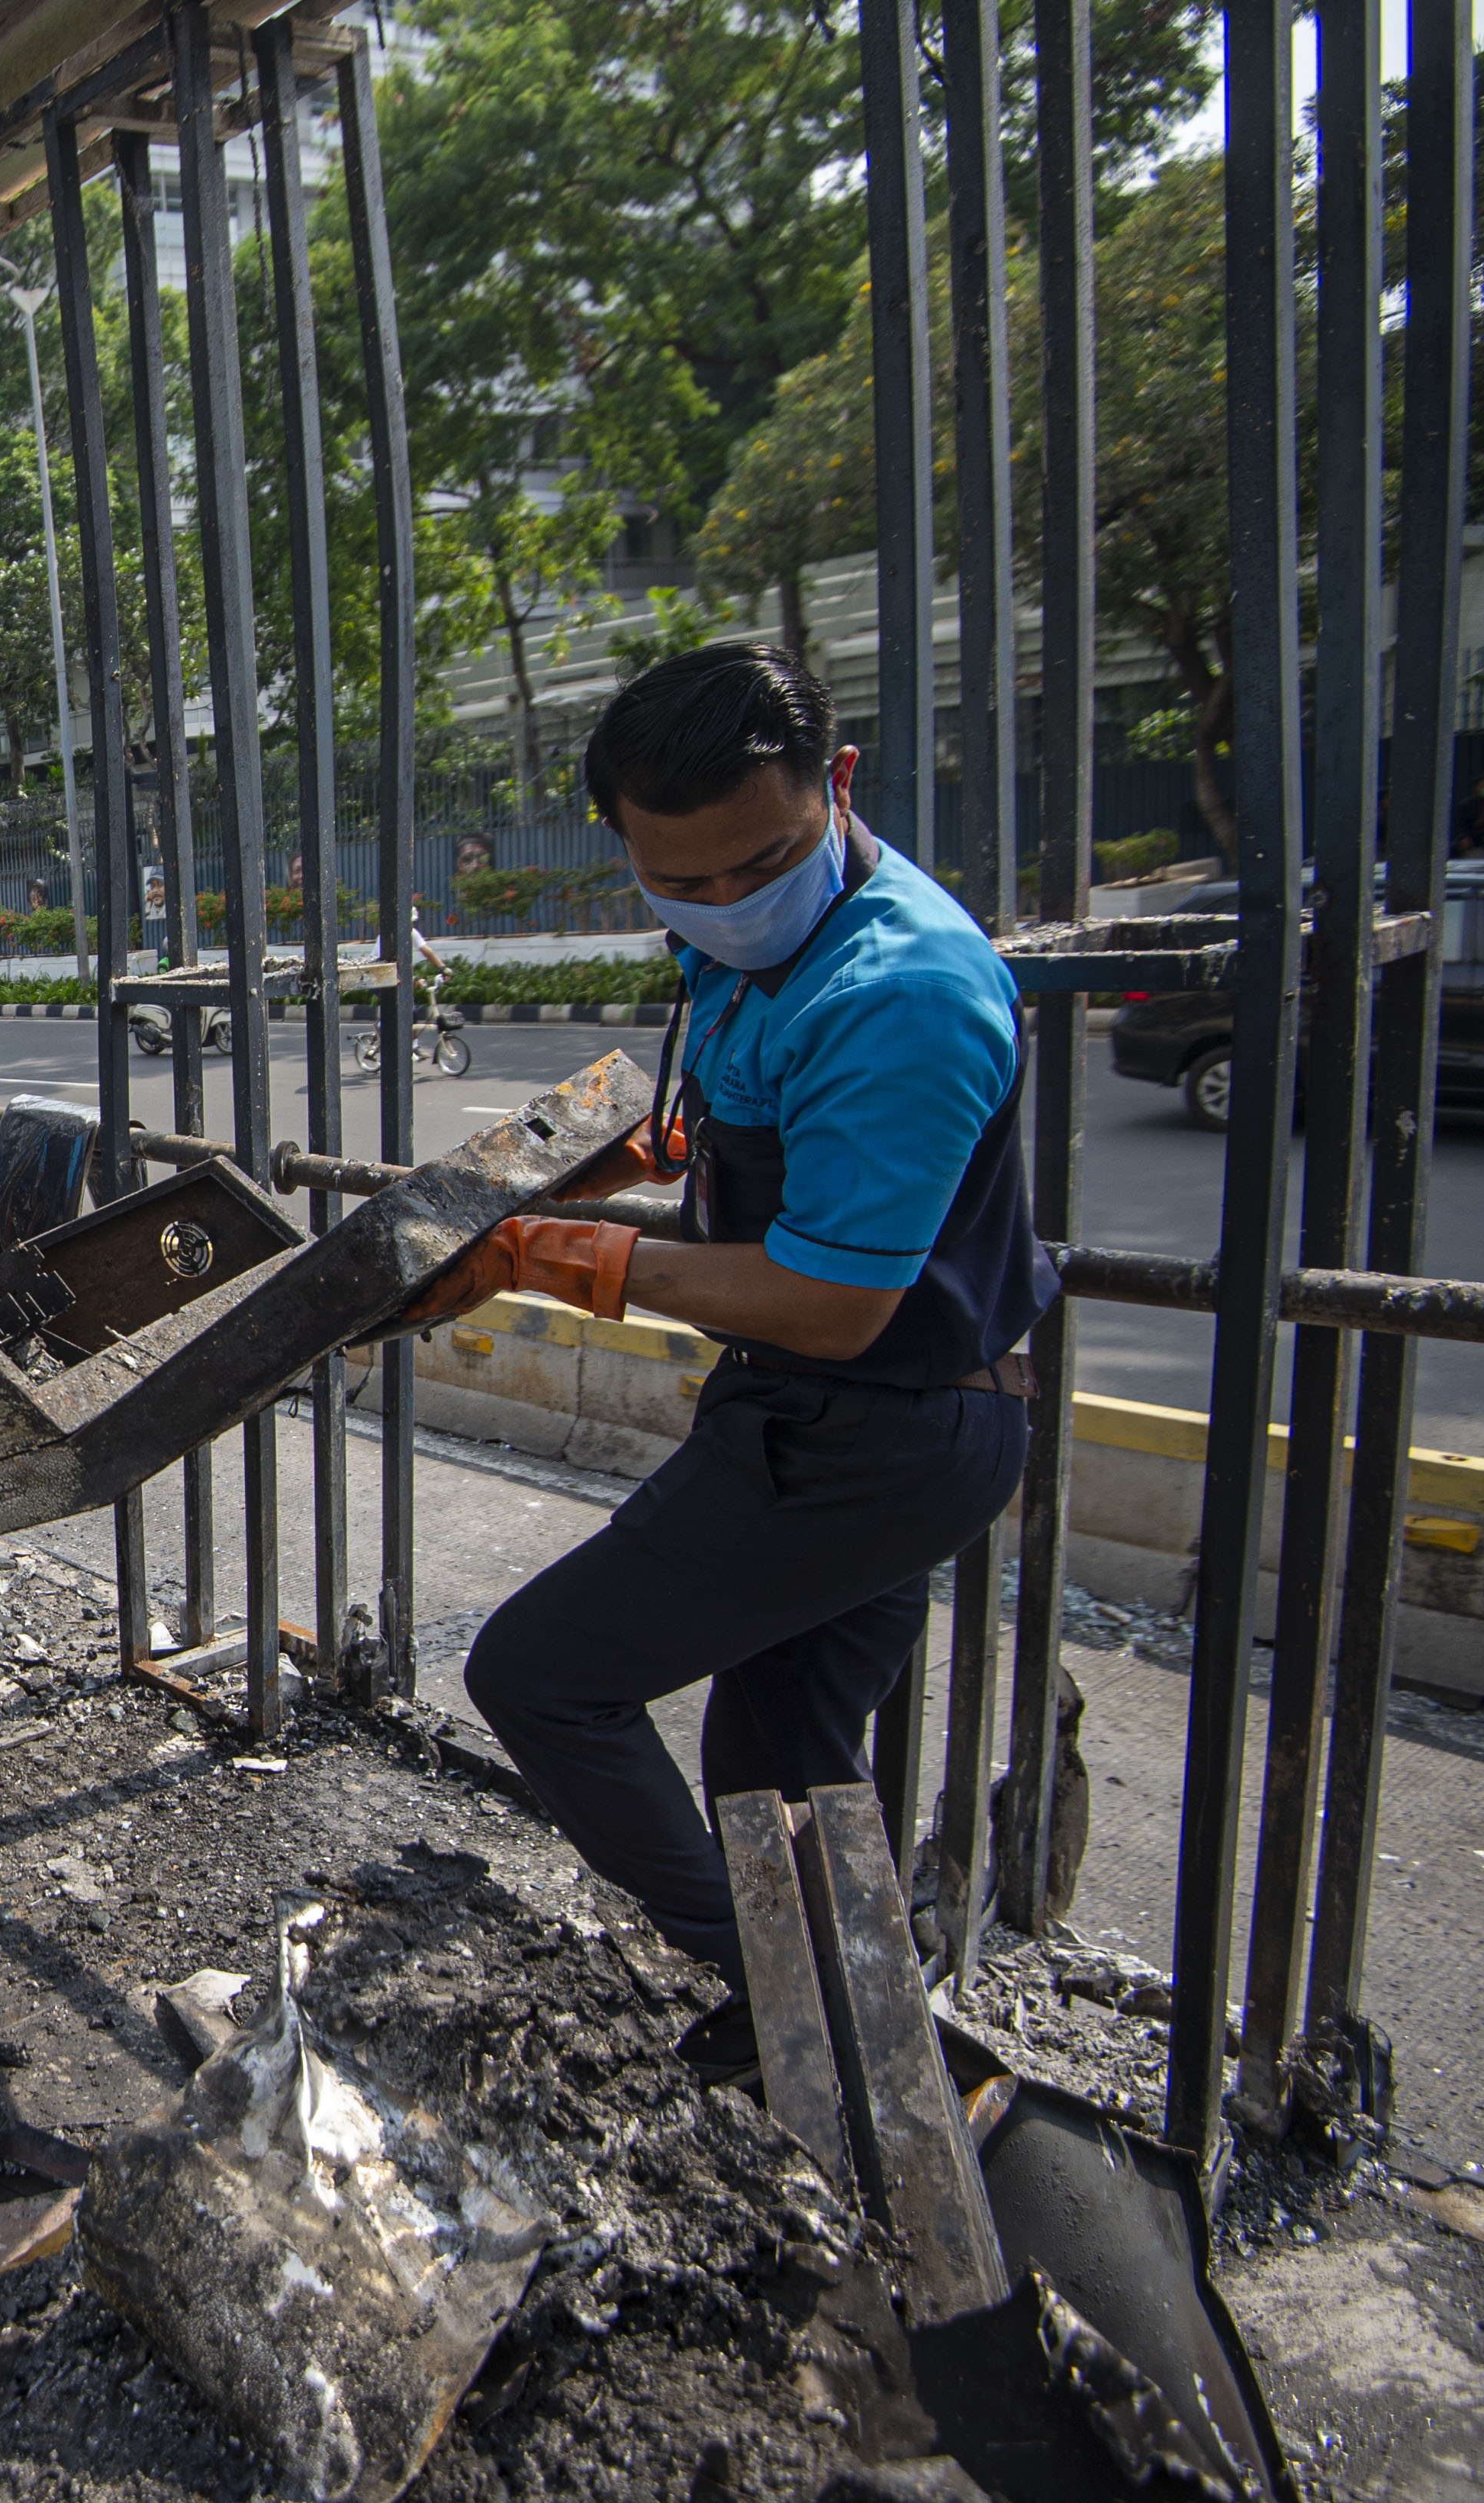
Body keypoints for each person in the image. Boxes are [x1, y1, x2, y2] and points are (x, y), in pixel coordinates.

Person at [422, 643, 1052, 2084]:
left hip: (871, 1428)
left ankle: (807, 2007)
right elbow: (721, 1117)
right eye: (678, 883)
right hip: (855, 1423)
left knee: (538, 1677)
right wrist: (593, 1160)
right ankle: (847, 2056)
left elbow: (830, 1304)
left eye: (752, 868)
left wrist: (544, 1255)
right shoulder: (751, 943)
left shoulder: (902, 988)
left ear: (835, 784)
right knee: (776, 1775)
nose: (718, 908)